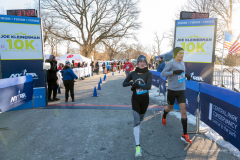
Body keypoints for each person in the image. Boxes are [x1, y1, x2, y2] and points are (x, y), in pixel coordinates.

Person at [123, 55, 152, 157]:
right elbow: (124, 83)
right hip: (135, 99)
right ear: (138, 63)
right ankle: (138, 147)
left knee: (139, 121)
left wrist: (137, 85)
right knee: (136, 121)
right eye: (140, 61)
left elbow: (148, 86)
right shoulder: (133, 73)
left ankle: (136, 132)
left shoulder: (148, 74)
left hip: (145, 100)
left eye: (144, 62)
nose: (142, 63)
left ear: (146, 63)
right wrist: (131, 83)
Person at [161, 47, 192, 143]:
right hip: (172, 90)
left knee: (184, 111)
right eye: (180, 53)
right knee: (170, 108)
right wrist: (173, 72)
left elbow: (181, 73)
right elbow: (163, 73)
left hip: (181, 90)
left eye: (183, 53)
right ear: (175, 54)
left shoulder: (183, 62)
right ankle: (164, 114)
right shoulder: (171, 62)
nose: (182, 55)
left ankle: (185, 134)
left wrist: (186, 75)